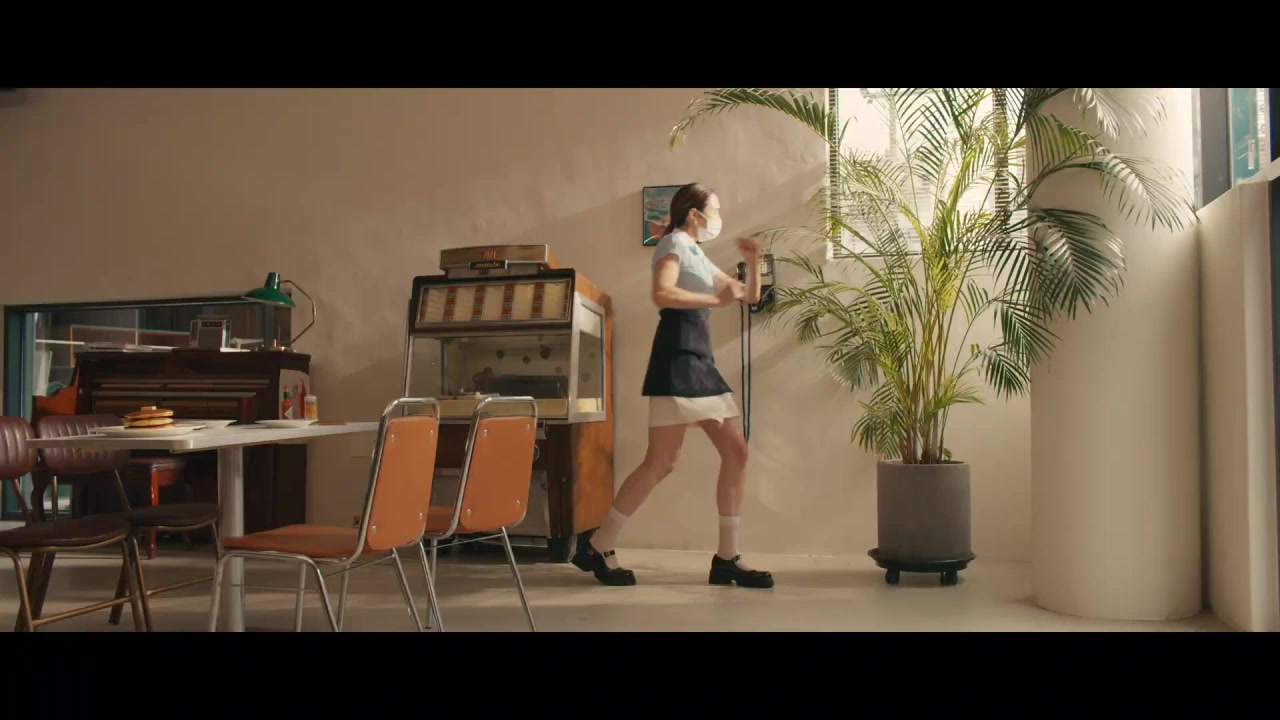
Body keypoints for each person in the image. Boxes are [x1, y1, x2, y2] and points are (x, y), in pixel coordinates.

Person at [571, 183, 773, 589]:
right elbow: (662, 293)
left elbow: (747, 297)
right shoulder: (674, 244)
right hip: (678, 355)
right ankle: (599, 544)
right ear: (694, 214)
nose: (718, 217)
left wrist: (753, 261)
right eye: (715, 209)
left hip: (698, 358)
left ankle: (726, 558)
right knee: (662, 461)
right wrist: (711, 302)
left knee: (731, 452)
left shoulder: (696, 252)